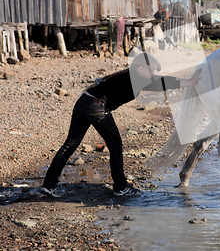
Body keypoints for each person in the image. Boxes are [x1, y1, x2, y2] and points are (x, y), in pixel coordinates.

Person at [41, 53, 202, 197]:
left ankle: (48, 185)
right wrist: (190, 81)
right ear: (140, 68)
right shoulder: (137, 78)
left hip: (83, 101)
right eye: (151, 70)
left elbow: (161, 80)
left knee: (70, 144)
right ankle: (120, 187)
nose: (152, 73)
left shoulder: (132, 76)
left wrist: (188, 81)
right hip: (96, 106)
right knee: (115, 145)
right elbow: (163, 81)